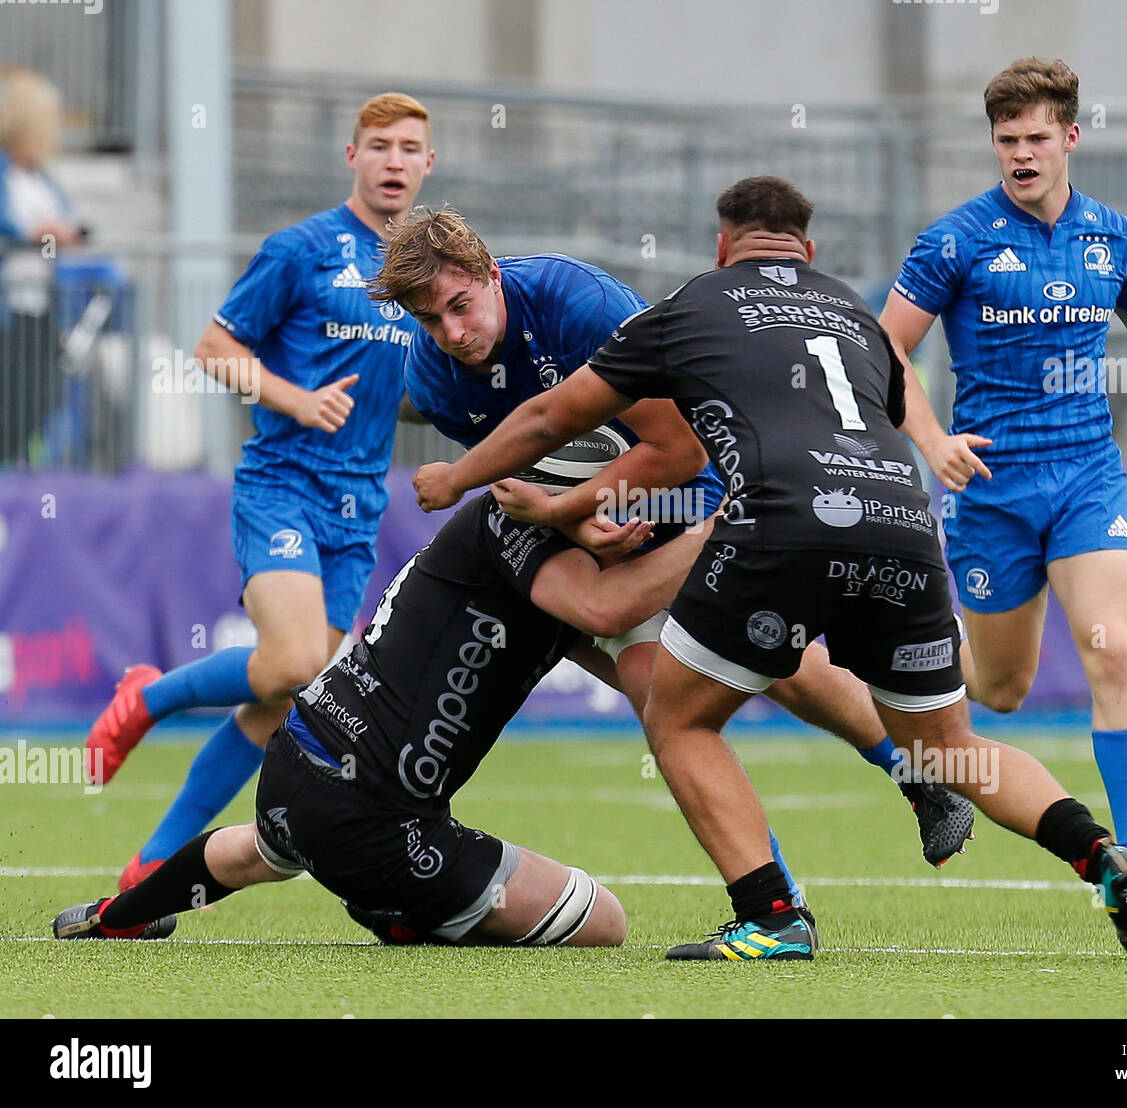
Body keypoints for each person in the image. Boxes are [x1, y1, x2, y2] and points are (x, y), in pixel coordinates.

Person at [409, 175, 1127, 962]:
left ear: (721, 247)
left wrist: (465, 481)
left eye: (456, 308)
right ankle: (1107, 857)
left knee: (677, 716)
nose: (447, 329)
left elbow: (553, 417)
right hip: (905, 524)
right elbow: (894, 402)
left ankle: (773, 914)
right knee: (952, 748)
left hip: (778, 522)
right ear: (808, 253)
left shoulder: (688, 305)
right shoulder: (855, 312)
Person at [372, 206, 976, 876]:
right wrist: (575, 523)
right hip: (591, 516)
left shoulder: (577, 304)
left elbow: (681, 449)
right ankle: (773, 891)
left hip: (699, 485)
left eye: (461, 306)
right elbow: (523, 471)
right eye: (430, 320)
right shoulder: (431, 376)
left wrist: (578, 505)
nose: (452, 333)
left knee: (777, 663)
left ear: (491, 276)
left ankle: (913, 778)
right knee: (659, 692)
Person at [878, 58, 1127, 915]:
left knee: (1113, 648)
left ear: (1071, 136)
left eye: (1038, 137)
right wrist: (931, 439)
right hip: (989, 492)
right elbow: (885, 346)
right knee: (1000, 690)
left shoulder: (1114, 234)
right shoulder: (954, 240)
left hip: (1086, 477)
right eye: (1007, 140)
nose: (1022, 154)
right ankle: (898, 684)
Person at [53, 492, 690, 948]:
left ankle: (117, 915)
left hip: (295, 764)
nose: (632, 520)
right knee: (606, 922)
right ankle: (399, 913)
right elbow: (608, 610)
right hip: (379, 830)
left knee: (264, 847)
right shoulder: (538, 549)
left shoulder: (520, 550)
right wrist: (721, 528)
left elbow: (645, 674)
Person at [83, 93, 436, 891]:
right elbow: (213, 347)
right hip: (281, 486)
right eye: (378, 145)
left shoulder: (417, 277)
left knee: (287, 692)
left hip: (357, 507)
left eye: (409, 148)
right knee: (294, 660)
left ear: (428, 165)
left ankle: (152, 862)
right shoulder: (303, 248)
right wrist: (292, 398)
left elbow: (404, 390)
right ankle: (149, 698)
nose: (393, 160)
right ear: (352, 157)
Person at [0, 70, 87, 466]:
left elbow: (67, 221)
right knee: (11, 395)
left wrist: (64, 232)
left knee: (39, 396)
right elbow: (13, 227)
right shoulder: (5, 175)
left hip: (39, 306)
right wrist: (35, 232)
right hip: (9, 306)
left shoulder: (40, 178)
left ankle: (22, 469)